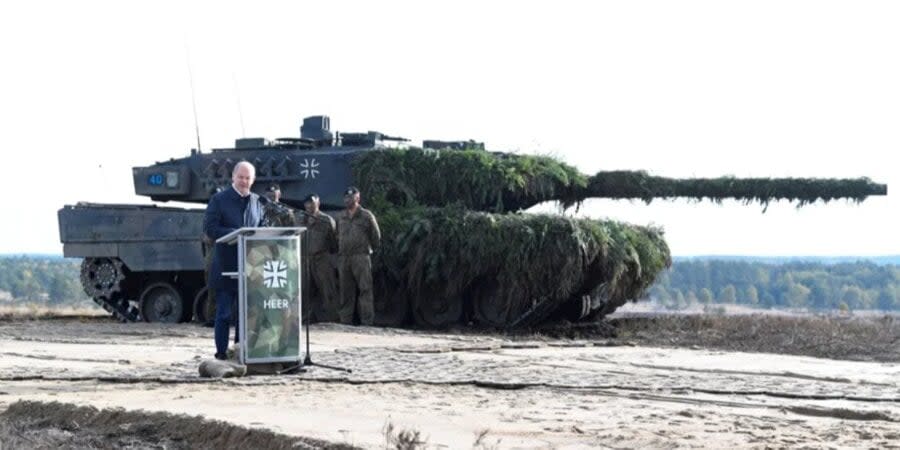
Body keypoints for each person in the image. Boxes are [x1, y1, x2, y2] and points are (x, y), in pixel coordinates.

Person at [203, 161, 266, 360]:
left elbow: (261, 227)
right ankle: (221, 353)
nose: (244, 181)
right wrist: (234, 233)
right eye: (241, 177)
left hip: (249, 267)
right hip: (226, 266)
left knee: (244, 316)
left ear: (253, 180)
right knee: (224, 314)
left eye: (248, 178)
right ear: (233, 177)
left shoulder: (258, 202)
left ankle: (240, 351)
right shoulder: (219, 200)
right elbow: (210, 228)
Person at [336, 186, 381, 325]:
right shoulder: (341, 217)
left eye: (351, 197)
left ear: (358, 198)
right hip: (344, 257)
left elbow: (376, 236)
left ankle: (367, 321)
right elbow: (336, 235)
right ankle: (345, 321)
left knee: (365, 289)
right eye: (346, 197)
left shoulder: (366, 215)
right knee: (345, 290)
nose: (348, 200)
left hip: (361, 256)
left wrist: (368, 249)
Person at [297, 194, 339, 322]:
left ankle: (332, 318)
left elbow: (334, 242)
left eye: (312, 202)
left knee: (327, 289)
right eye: (307, 203)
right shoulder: (300, 219)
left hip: (321, 259)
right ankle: (306, 318)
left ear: (318, 203)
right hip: (304, 259)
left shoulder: (326, 220)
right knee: (304, 290)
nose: (309, 205)